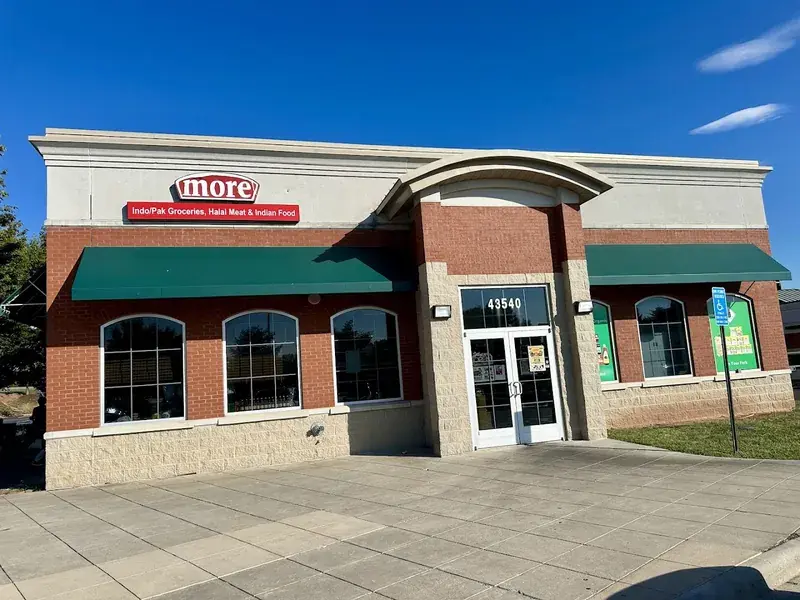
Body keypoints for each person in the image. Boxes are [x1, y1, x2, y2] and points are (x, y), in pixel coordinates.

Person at [30, 394, 46, 467]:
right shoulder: (46, 409)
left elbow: (33, 417)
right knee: (44, 445)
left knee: (43, 443)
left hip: (38, 427)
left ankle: (38, 459)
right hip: (44, 427)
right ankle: (36, 460)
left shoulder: (36, 409)